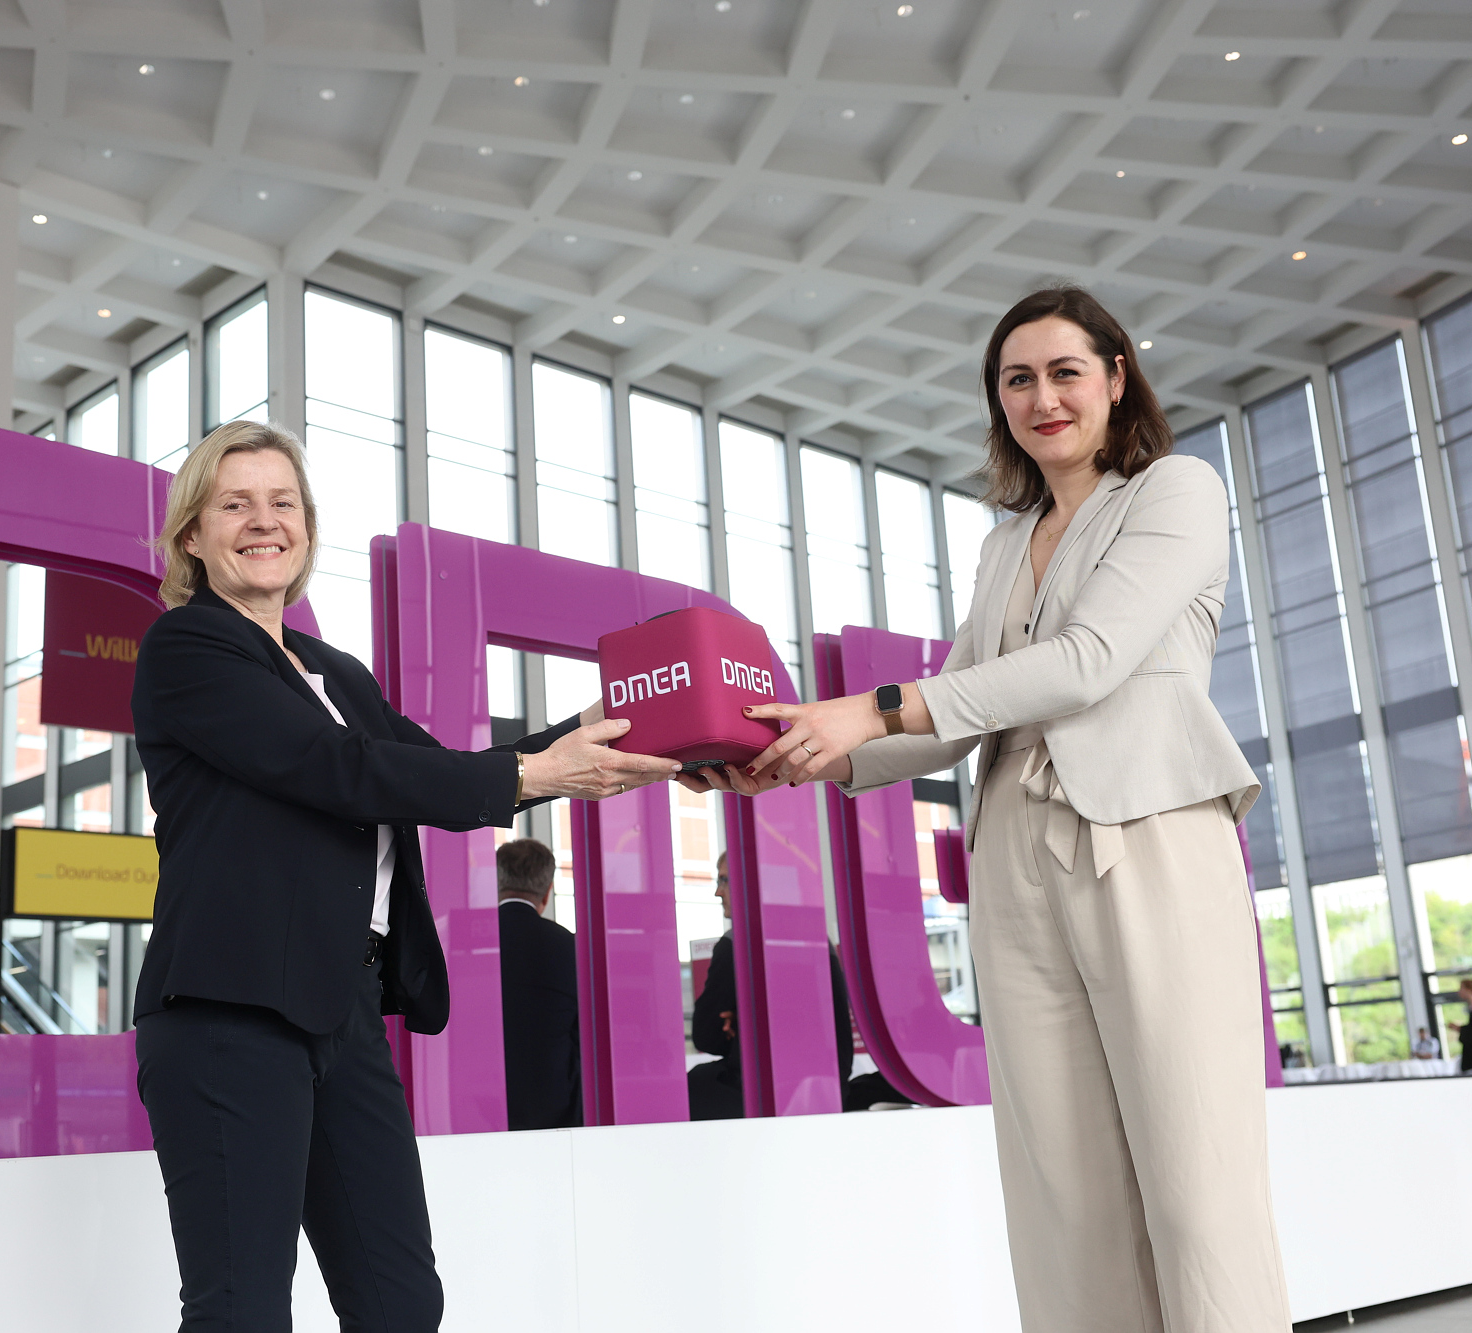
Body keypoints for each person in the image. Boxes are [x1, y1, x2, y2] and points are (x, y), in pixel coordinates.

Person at [687, 286, 1291, 1330]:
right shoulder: (1004, 543)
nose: (1042, 396)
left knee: (1197, 1191)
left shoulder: (1174, 491)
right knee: (1062, 1201)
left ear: (1114, 377)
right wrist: (794, 753)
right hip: (1012, 854)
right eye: (1017, 378)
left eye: (1064, 371)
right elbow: (956, 717)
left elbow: (1088, 661)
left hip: (1143, 834)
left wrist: (868, 708)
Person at [129, 420, 680, 1332]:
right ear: (193, 534)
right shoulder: (187, 648)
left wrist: (623, 719)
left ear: (306, 525)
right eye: (235, 504)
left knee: (400, 1302)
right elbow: (334, 769)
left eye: (284, 502)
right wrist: (534, 776)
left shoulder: (332, 671)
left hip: (339, 1012)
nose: (265, 520)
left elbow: (437, 766)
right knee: (242, 1310)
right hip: (227, 1014)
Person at [688, 853, 902, 1118]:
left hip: (761, 1095)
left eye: (723, 880)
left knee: (686, 1088)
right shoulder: (818, 940)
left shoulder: (737, 944)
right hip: (828, 1090)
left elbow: (705, 1037)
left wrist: (735, 1027)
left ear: (749, 884)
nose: (717, 892)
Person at [495, 838, 581, 1130]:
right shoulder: (570, 947)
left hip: (473, 1101)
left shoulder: (465, 944)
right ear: (547, 892)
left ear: (496, 883)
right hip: (555, 1108)